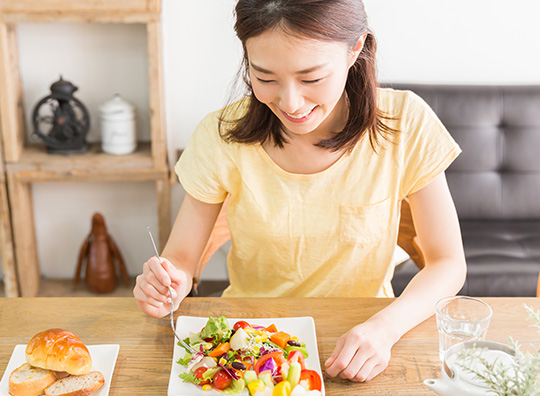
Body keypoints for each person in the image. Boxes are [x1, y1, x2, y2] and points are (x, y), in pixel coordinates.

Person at [134, 0, 466, 383]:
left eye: (311, 79)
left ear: (355, 49)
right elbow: (180, 258)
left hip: (365, 339)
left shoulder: (405, 122)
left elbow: (448, 262)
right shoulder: (220, 135)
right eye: (266, 78)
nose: (291, 104)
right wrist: (167, 286)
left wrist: (385, 328)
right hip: (248, 344)